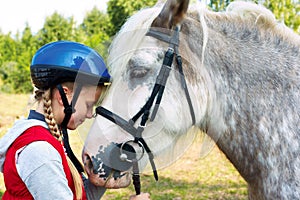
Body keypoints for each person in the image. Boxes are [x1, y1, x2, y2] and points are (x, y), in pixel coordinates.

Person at [0, 41, 150, 200]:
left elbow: (76, 194)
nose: (90, 114)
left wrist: (107, 173)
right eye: (88, 105)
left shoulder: (51, 137)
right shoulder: (39, 151)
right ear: (63, 95)